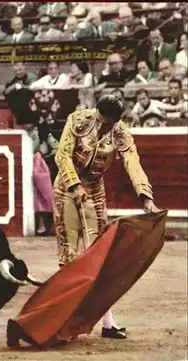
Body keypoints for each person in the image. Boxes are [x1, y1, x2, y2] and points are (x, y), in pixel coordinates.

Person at [52, 95, 159, 339]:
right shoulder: (77, 120)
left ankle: (108, 323)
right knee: (69, 255)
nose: (102, 127)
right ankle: (64, 321)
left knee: (100, 257)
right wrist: (74, 185)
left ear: (116, 121)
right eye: (101, 121)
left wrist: (145, 196)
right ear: (96, 112)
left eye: (108, 124)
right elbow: (62, 155)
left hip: (94, 190)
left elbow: (132, 162)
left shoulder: (121, 133)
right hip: (67, 189)